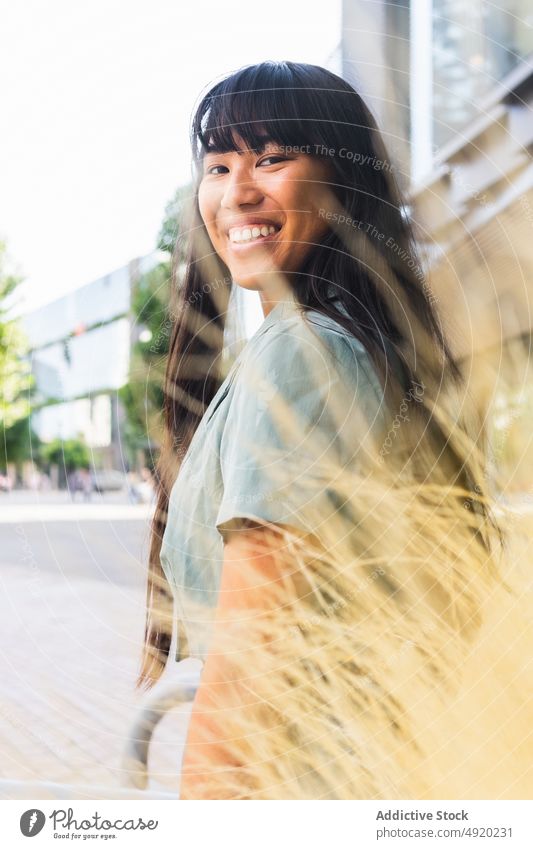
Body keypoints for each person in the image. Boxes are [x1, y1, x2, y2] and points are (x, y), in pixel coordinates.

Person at [136, 61, 503, 799]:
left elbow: (250, 666)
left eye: (272, 158)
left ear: (340, 181)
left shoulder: (302, 355)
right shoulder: (356, 348)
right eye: (218, 165)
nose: (237, 191)